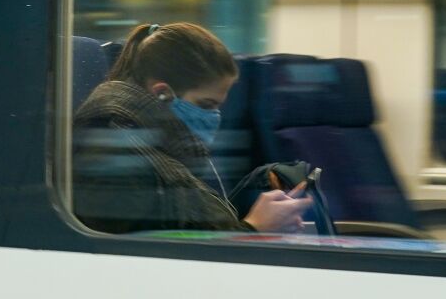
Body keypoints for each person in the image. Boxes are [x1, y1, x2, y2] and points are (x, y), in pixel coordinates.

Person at [73, 22, 311, 234]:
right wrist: (254, 228)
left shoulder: (157, 148)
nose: (214, 117)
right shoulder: (115, 153)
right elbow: (139, 259)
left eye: (218, 107)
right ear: (163, 94)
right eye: (206, 105)